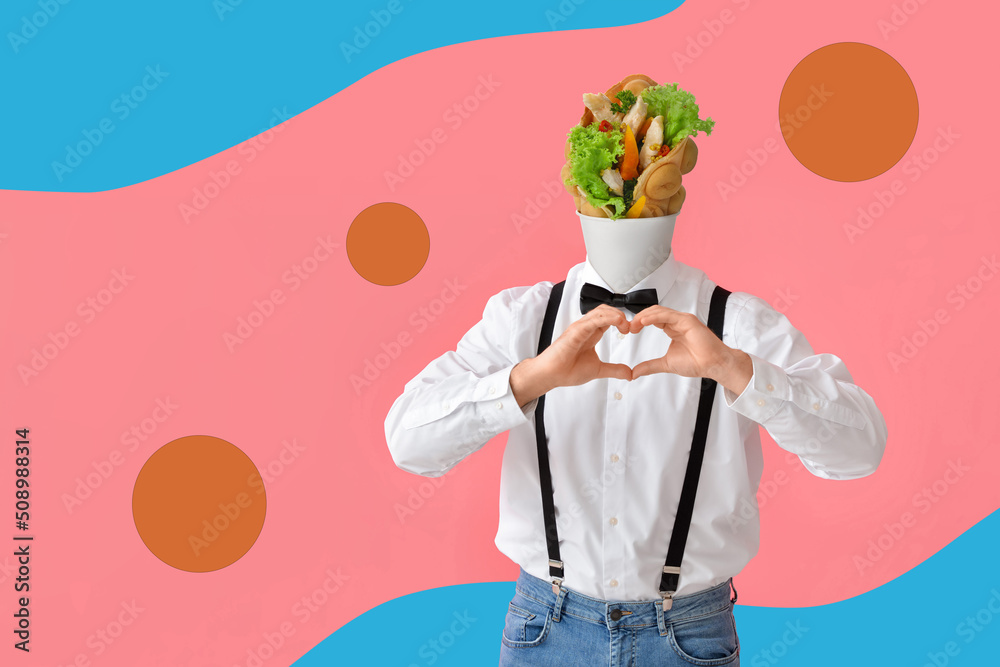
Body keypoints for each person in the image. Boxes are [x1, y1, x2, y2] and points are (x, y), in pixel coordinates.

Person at [383, 82, 888, 666]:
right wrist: (526, 381)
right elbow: (408, 442)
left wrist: (734, 370)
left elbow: (860, 450)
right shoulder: (522, 318)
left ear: (674, 193)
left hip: (689, 636)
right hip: (544, 630)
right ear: (578, 187)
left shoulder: (738, 322)